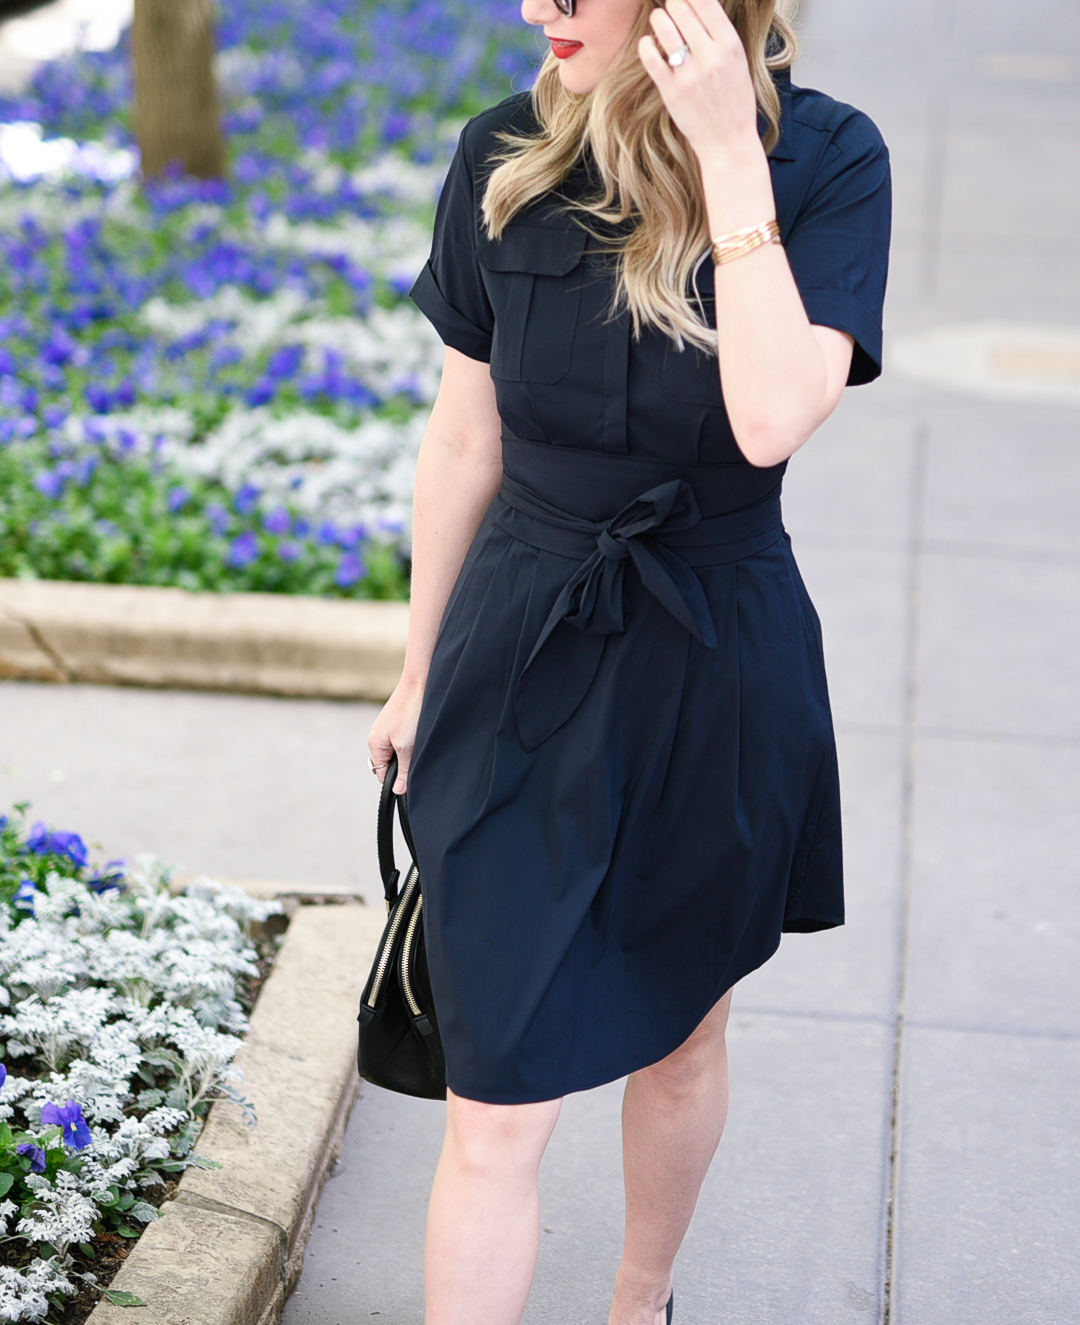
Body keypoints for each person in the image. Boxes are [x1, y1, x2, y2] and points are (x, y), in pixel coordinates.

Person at [367, 0, 891, 1319]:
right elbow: (462, 440)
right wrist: (420, 669)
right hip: (521, 651)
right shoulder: (503, 151)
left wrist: (727, 159)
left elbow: (771, 417)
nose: (536, 6)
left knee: (682, 1031)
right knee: (493, 1098)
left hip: (715, 651)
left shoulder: (827, 162)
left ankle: (638, 1297)